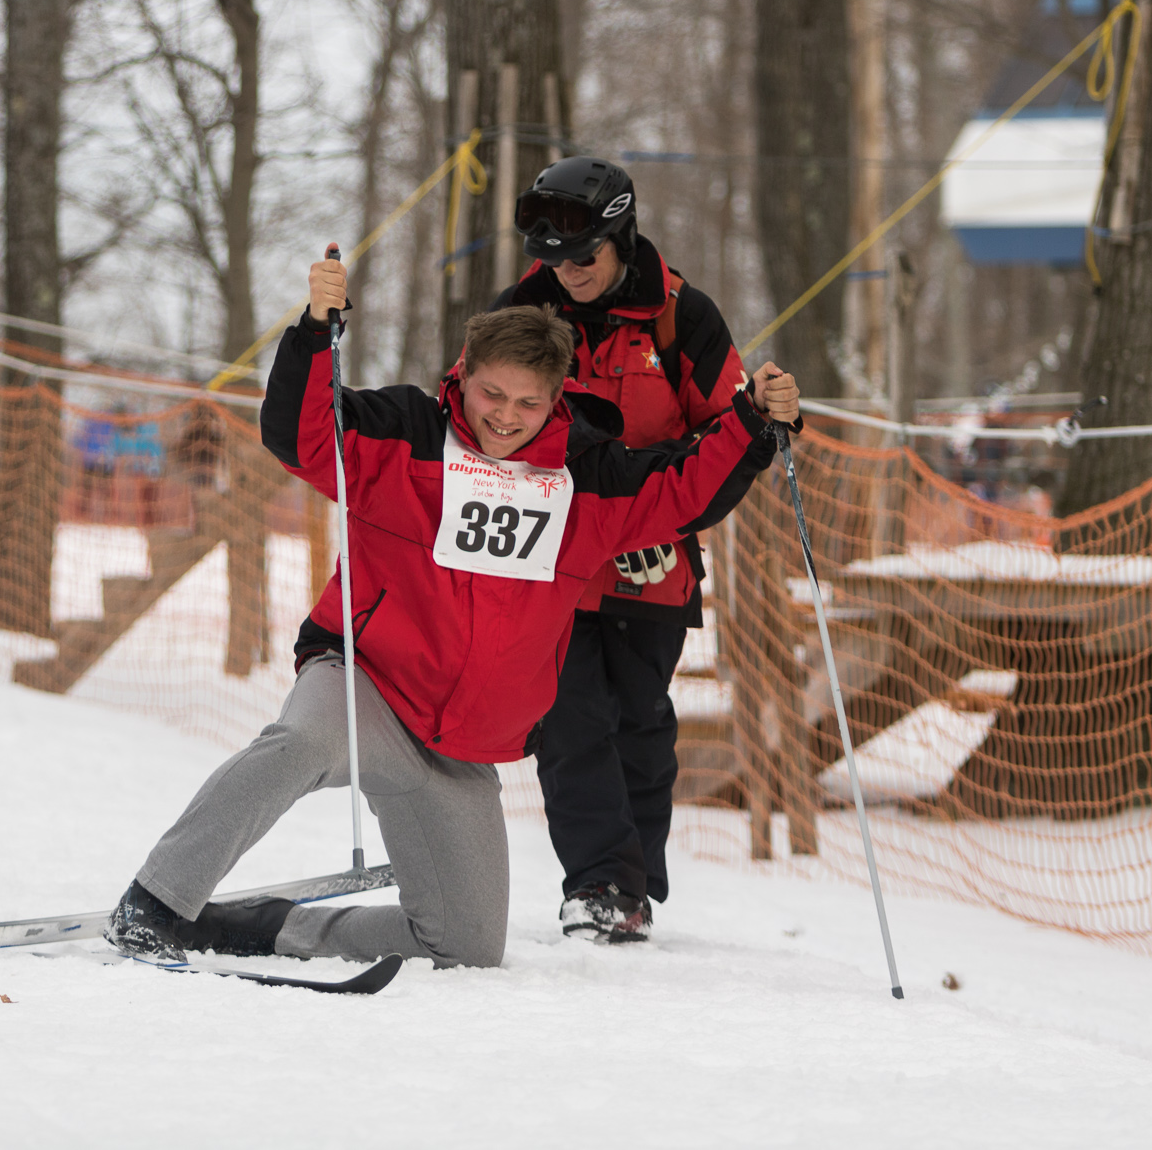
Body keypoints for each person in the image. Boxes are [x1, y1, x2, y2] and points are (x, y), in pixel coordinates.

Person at [105, 247, 801, 968]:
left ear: (557, 396)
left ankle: (262, 927)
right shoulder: (403, 433)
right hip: (365, 684)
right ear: (463, 376)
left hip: (459, 742)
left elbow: (682, 488)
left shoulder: (586, 478)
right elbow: (302, 433)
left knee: (466, 946)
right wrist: (316, 330)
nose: (506, 418)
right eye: (492, 395)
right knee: (302, 743)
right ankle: (155, 902)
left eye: (529, 403)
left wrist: (752, 422)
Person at [491, 155, 798, 944]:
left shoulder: (680, 315)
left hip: (651, 558)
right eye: (551, 258)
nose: (566, 273)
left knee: (638, 721)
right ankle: (599, 882)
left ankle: (630, 883)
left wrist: (770, 422)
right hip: (553, 553)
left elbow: (726, 432)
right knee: (568, 715)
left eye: (583, 256)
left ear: (620, 237)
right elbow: (482, 406)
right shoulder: (524, 310)